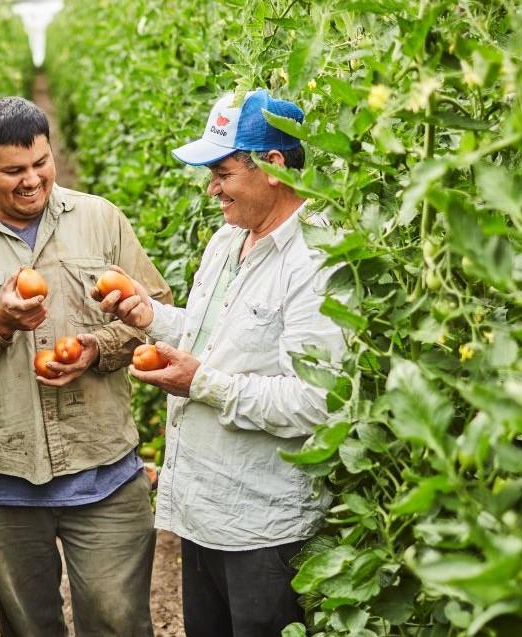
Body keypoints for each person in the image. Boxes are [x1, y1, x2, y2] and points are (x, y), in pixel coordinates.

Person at [0, 96, 171, 636]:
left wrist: (97, 350)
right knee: (30, 627)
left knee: (119, 620)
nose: (32, 181)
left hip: (103, 465)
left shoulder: (100, 219)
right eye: (13, 171)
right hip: (3, 477)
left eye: (42, 163)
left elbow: (156, 314)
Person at [96, 89, 345, 636]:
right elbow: (215, 335)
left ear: (274, 165)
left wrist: (200, 382)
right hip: (203, 511)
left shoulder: (317, 261)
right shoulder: (227, 240)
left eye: (223, 173)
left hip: (264, 527)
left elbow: (316, 402)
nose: (213, 189)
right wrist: (150, 317)